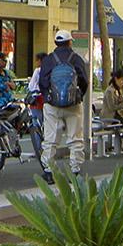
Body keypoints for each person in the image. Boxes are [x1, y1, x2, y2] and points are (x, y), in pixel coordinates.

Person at [35, 31, 90, 182]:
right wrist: (77, 96)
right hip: (73, 105)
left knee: (51, 139)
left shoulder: (48, 60)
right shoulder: (76, 59)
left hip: (52, 105)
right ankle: (75, 171)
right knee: (75, 138)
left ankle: (49, 171)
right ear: (70, 42)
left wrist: (48, 97)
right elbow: (84, 81)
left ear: (55, 43)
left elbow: (43, 82)